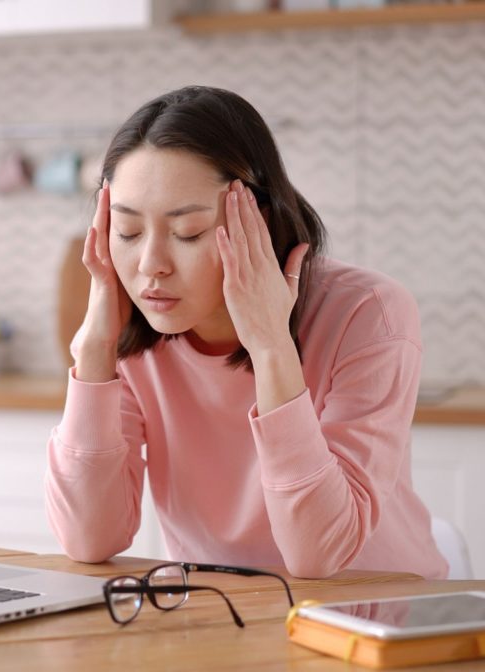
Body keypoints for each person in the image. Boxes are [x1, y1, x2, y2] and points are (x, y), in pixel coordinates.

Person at [45, 85, 448, 579]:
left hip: (372, 618)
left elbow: (319, 555)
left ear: (256, 221)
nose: (150, 266)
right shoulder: (133, 330)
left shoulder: (368, 313)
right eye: (127, 232)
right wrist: (95, 353)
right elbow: (90, 539)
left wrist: (271, 346)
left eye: (187, 232)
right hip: (219, 617)